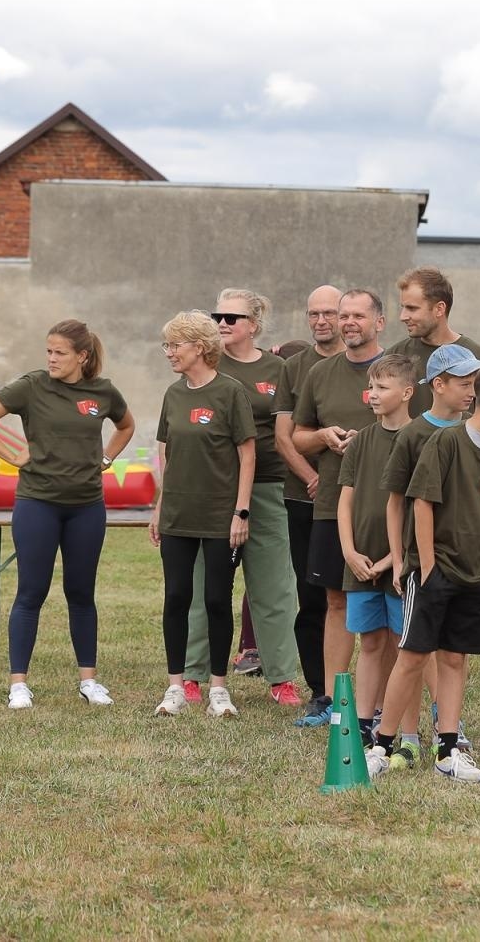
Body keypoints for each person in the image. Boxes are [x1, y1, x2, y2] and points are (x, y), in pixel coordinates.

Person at [370, 359, 480, 783]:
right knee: (413, 656)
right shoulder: (445, 444)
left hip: (479, 578)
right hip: (434, 574)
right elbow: (421, 502)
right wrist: (426, 565)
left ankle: (448, 752)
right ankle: (381, 748)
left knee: (455, 660)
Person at [0, 320, 135, 710]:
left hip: (87, 506)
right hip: (38, 503)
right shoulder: (32, 385)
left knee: (81, 593)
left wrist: (107, 457)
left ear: (82, 356)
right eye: (49, 351)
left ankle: (89, 681)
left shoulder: (103, 392)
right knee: (31, 592)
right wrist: (12, 456)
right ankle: (19, 685)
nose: (52, 359)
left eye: (60, 353)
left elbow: (126, 425)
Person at [178, 290, 303, 707]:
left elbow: (291, 425)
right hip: (212, 491)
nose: (224, 322)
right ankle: (194, 675)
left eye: (233, 316)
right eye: (218, 315)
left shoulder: (278, 368)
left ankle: (282, 677)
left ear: (254, 323)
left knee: (274, 587)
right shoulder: (203, 367)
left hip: (267, 486)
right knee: (203, 586)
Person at [379, 343, 480, 765]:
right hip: (423, 564)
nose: (471, 392)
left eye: (475, 384)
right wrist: (399, 558)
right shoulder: (413, 435)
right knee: (415, 651)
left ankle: (449, 732)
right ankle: (397, 737)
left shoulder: (478, 433)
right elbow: (395, 502)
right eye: (464, 383)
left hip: (465, 563)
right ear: (437, 385)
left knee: (455, 653)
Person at [150, 311, 256, 718]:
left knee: (215, 598)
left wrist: (240, 511)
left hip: (220, 516)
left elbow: (248, 455)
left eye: (175, 345)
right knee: (176, 597)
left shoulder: (231, 393)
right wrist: (160, 507)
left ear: (200, 347)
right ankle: (175, 686)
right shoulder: (173, 395)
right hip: (177, 513)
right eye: (168, 345)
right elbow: (167, 453)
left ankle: (218, 689)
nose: (170, 353)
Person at [289, 288, 387, 727]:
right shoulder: (320, 373)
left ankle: (377, 702)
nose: (348, 322)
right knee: (334, 600)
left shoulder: (398, 374)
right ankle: (330, 699)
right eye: (343, 315)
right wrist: (325, 437)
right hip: (332, 504)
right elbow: (297, 436)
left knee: (386, 604)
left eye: (357, 316)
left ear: (378, 323)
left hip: (386, 507)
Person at [336, 353, 414, 744]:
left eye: (382, 388)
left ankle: (397, 724)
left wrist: (391, 560)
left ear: (406, 392)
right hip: (361, 562)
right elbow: (345, 500)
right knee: (369, 643)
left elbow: (418, 511)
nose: (373, 394)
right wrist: (349, 551)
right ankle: (363, 723)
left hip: (401, 566)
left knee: (405, 646)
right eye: (371, 387)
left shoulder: (421, 439)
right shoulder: (362, 440)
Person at [274, 286, 343, 715]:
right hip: (303, 499)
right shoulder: (294, 367)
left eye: (329, 313)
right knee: (312, 595)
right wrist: (312, 478)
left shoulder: (368, 365)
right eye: (313, 313)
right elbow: (283, 436)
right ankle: (321, 692)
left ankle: (369, 691)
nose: (321, 321)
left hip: (357, 500)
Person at [387, 266, 480, 418]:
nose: (403, 316)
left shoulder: (479, 360)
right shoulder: (393, 357)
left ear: (439, 309)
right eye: (403, 308)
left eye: (412, 308)